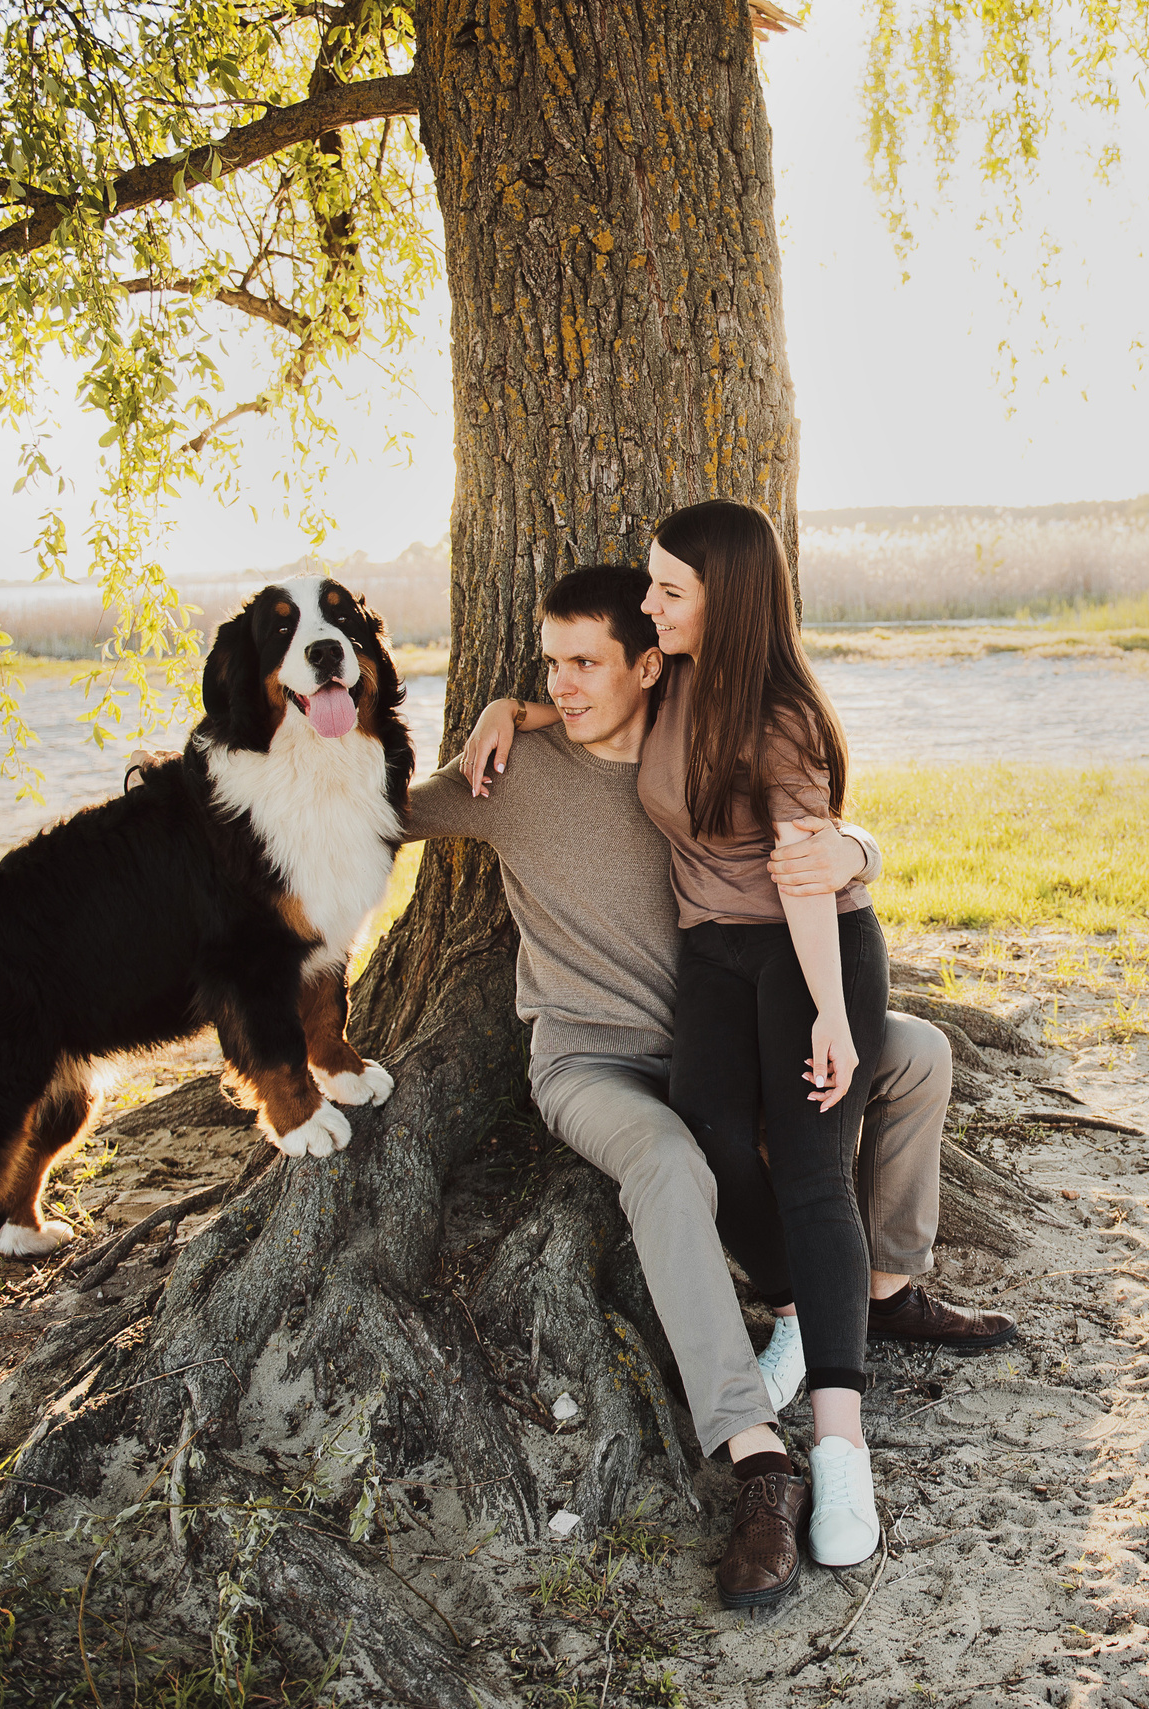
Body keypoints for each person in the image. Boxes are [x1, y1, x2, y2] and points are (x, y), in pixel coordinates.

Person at [415, 563, 1012, 1610]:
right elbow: (374, 815)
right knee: (667, 1157)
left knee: (918, 1053)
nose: (561, 685)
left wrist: (860, 847)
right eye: (549, 666)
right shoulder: (511, 773)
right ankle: (758, 1456)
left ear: (651, 666)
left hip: (733, 1034)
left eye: (585, 663)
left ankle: (885, 1292)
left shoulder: (700, 745)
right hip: (593, 1060)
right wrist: (492, 713)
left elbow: (814, 828)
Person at [465, 503, 892, 1574]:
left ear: (724, 600)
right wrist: (508, 707)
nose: (649, 604)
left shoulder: (780, 719)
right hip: (713, 959)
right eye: (651, 587)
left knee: (812, 1171)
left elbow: (807, 876)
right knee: (708, 1137)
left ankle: (841, 1448)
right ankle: (798, 1307)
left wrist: (832, 1011)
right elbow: (592, 697)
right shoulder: (678, 677)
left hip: (805, 952)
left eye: (668, 590)